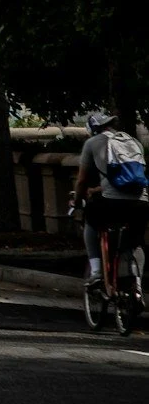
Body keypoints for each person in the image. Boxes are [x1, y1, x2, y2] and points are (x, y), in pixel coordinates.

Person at [80, 111, 149, 290]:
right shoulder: (133, 142)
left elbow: (82, 180)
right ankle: (138, 285)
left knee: (91, 221)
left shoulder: (92, 143)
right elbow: (128, 177)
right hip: (141, 202)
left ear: (92, 129)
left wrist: (78, 198)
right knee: (135, 242)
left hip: (112, 203)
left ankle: (96, 272)